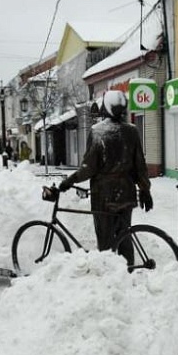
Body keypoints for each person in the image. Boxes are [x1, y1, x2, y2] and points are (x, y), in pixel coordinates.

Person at [58, 90, 152, 264]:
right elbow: (140, 165)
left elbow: (88, 168)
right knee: (124, 235)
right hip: (126, 192)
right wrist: (145, 189)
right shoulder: (131, 131)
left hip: (104, 195)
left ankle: (108, 271)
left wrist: (69, 181)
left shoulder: (98, 132)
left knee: (105, 238)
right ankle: (128, 270)